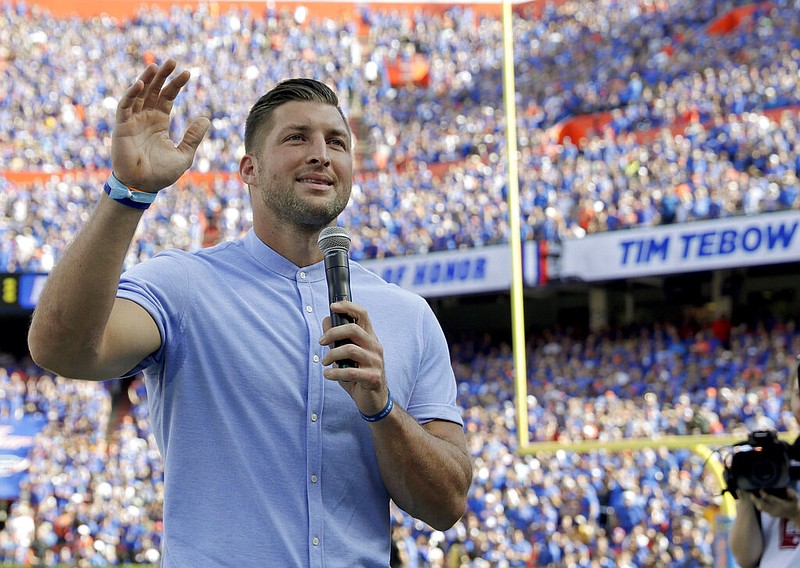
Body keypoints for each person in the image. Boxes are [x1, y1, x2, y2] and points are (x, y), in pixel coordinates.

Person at [27, 58, 473, 567]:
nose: (321, 155)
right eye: (296, 138)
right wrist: (128, 194)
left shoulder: (408, 316)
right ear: (249, 170)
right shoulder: (184, 285)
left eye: (337, 142)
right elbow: (58, 348)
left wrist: (381, 407)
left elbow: (446, 505)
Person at [729, 356, 800, 568]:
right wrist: (747, 494)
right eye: (799, 394)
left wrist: (794, 514)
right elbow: (746, 557)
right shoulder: (775, 463)